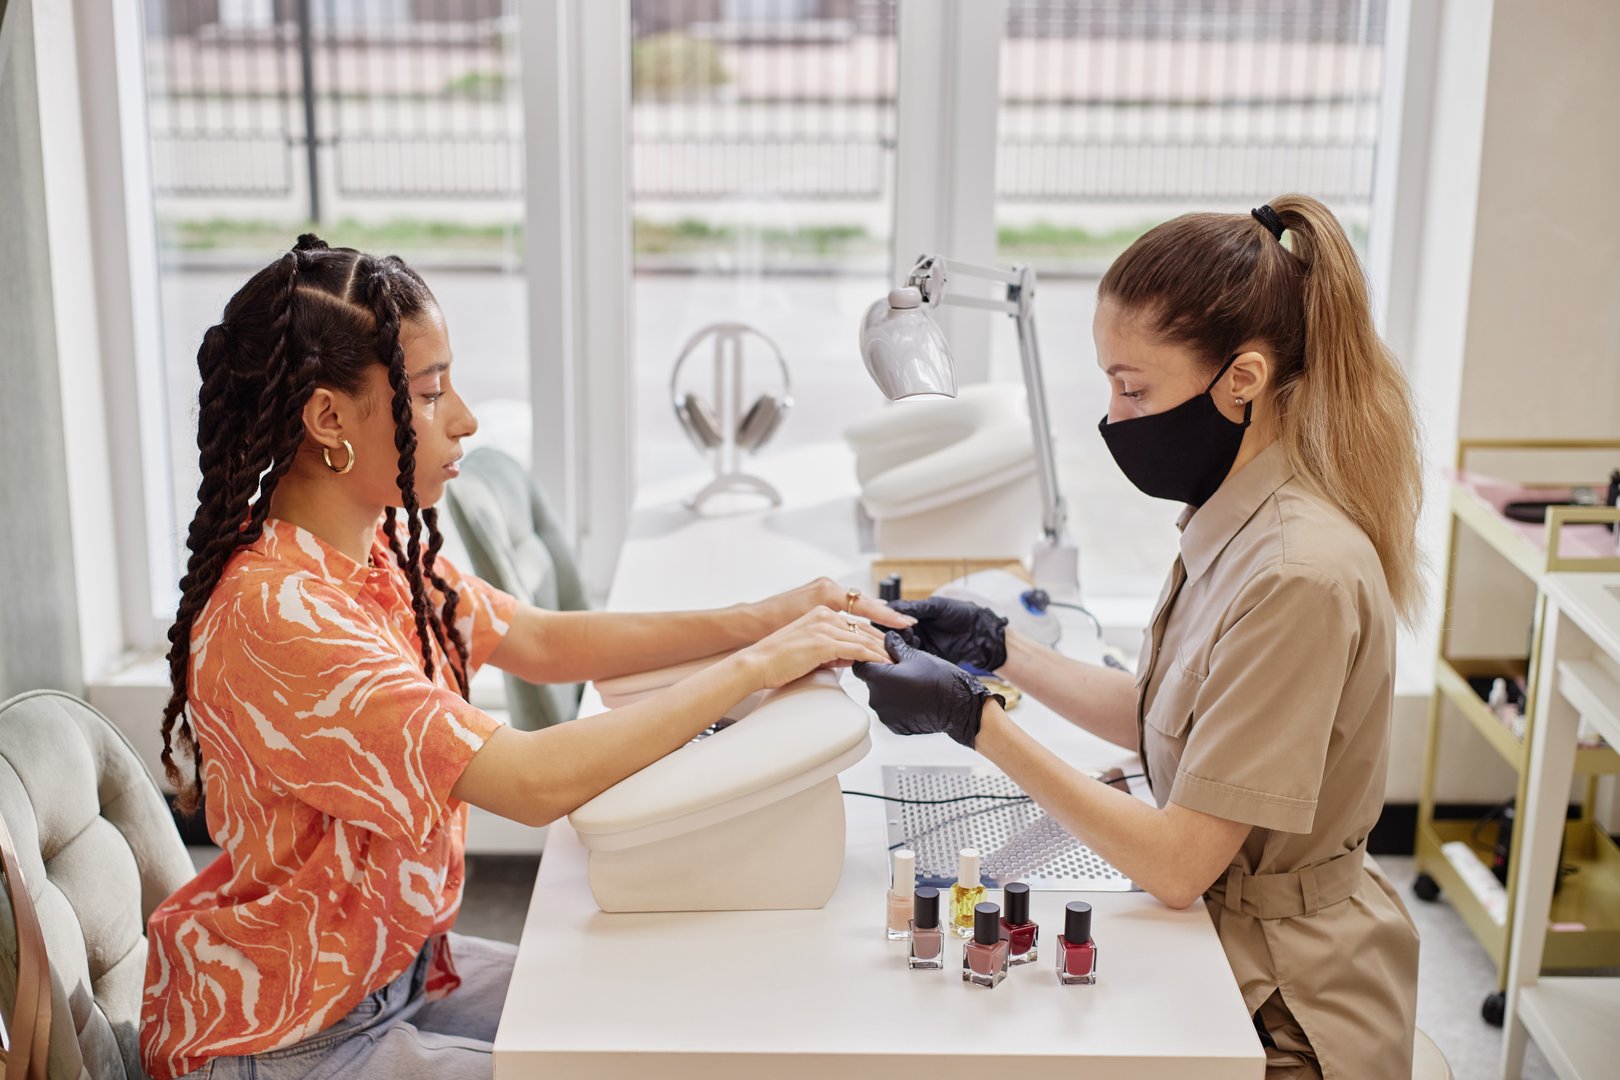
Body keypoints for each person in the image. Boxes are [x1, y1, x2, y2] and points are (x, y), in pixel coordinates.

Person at [139, 234, 905, 1080]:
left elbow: (538, 639)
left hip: (395, 968)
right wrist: (757, 665)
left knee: (663, 1020)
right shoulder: (279, 617)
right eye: (429, 395)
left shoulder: (376, 548)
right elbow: (532, 783)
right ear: (327, 419)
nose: (462, 418)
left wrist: (768, 617)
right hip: (282, 1032)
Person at [855, 194, 1422, 1079]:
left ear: (1242, 378)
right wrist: (1000, 651)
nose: (1115, 420)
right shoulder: (1233, 518)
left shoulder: (1293, 574)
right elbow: (1170, 720)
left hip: (1285, 1004)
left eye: (1135, 388)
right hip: (1219, 943)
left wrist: (976, 721)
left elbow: (1177, 864)